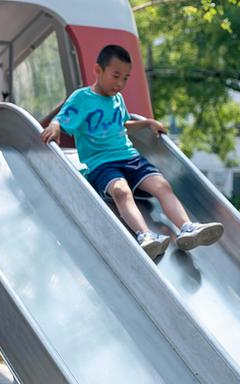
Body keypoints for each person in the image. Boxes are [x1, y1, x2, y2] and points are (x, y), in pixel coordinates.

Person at [40, 44, 223, 261]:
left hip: (129, 157)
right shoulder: (82, 98)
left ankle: (187, 227)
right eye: (116, 76)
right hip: (101, 164)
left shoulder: (117, 99)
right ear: (98, 70)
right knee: (121, 192)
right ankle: (145, 236)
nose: (120, 83)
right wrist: (55, 126)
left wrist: (147, 123)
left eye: (126, 78)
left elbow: (122, 124)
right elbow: (63, 118)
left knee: (162, 185)